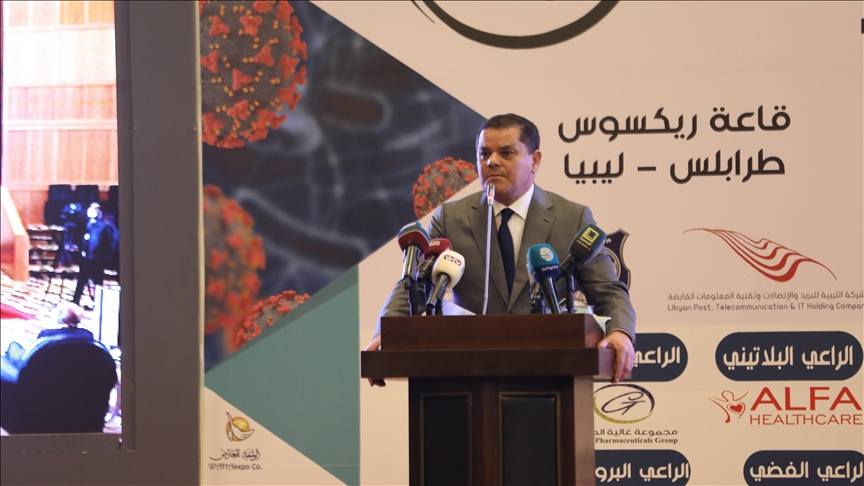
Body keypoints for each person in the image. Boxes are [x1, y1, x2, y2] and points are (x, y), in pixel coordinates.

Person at [366, 113, 636, 384]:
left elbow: (608, 290)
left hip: (549, 374)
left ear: (535, 160)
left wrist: (620, 332)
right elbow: (414, 284)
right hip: (467, 375)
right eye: (484, 154)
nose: (492, 162)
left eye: (506, 153)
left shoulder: (572, 218)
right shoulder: (451, 218)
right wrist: (385, 333)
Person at [72, 202, 119, 307]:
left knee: (97, 283)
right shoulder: (88, 225)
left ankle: (98, 304)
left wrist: (103, 257)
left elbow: (109, 243)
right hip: (86, 258)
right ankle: (75, 302)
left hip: (97, 260)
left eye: (95, 209)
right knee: (81, 281)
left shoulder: (104, 226)